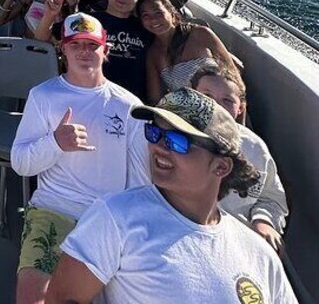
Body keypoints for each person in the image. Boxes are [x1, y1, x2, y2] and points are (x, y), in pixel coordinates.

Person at [47, 88, 297, 304]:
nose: (159, 147)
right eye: (154, 133)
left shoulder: (258, 254)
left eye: (178, 141)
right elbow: (62, 298)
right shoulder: (115, 217)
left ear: (221, 167)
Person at [11, 12, 149, 304]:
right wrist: (55, 142)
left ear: (105, 50)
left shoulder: (129, 106)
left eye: (91, 45)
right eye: (75, 44)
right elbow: (21, 163)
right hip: (53, 210)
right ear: (63, 49)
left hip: (108, 220)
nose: (84, 51)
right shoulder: (43, 96)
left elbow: (140, 178)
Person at [191, 63, 288, 251]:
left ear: (240, 108)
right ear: (192, 95)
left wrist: (263, 221)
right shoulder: (169, 137)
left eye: (227, 100)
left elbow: (271, 198)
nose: (216, 106)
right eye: (207, 96)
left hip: (238, 242)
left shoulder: (255, 148)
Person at [137, 0, 238, 103]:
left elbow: (233, 74)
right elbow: (155, 99)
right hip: (189, 112)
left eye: (158, 13)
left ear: (172, 14)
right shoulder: (153, 55)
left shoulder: (201, 33)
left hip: (223, 105)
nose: (153, 19)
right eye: (146, 16)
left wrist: (240, 109)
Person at [91, 0, 152, 99]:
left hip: (132, 100)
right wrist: (51, 15)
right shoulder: (90, 21)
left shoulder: (146, 27)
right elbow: (47, 40)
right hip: (93, 95)